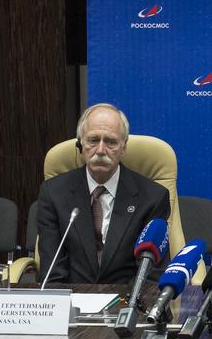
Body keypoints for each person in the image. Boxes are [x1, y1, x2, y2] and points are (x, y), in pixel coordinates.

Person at [36, 103, 170, 284]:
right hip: (73, 302)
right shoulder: (53, 193)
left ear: (123, 147)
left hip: (127, 302)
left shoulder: (153, 197)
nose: (100, 150)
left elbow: (150, 276)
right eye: (93, 140)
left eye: (111, 142)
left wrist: (126, 309)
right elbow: (52, 273)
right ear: (80, 144)